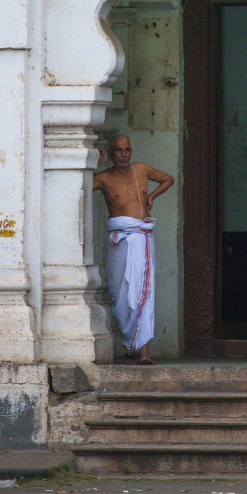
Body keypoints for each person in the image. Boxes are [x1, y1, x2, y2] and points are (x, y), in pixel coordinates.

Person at [94, 135, 174, 365]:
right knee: (119, 293)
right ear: (110, 154)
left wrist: (151, 196)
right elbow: (77, 186)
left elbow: (168, 179)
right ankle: (129, 347)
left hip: (141, 238)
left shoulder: (142, 169)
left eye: (127, 149)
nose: (123, 154)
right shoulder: (103, 178)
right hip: (119, 238)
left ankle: (144, 352)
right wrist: (94, 164)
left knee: (141, 292)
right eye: (118, 150)